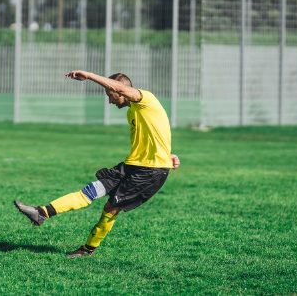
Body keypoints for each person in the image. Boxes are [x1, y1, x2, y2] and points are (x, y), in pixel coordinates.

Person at [14, 70, 180, 258]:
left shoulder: (145, 99)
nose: (109, 100)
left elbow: (119, 87)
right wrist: (168, 155)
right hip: (133, 165)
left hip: (149, 171)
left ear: (121, 91)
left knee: (110, 208)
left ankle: (88, 249)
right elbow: (155, 135)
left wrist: (89, 76)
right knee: (90, 190)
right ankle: (41, 213)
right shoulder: (133, 112)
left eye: (110, 94)